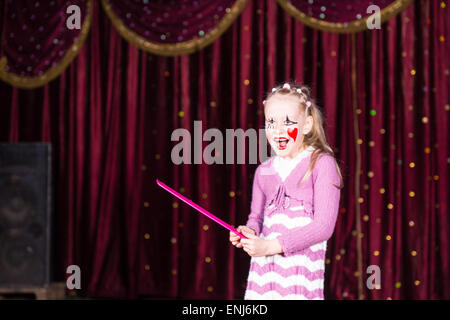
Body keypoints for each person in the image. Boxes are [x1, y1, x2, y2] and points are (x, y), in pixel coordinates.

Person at [230, 82, 344, 300]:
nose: (278, 130)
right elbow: (256, 218)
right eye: (271, 122)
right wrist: (249, 233)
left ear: (307, 125)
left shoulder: (321, 164)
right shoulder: (264, 171)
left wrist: (271, 246)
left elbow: (323, 227)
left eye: (288, 122)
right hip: (264, 275)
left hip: (298, 278)